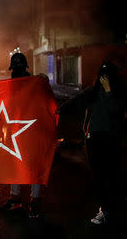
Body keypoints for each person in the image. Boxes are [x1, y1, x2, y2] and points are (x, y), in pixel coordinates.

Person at [57, 60, 125, 225]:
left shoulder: (119, 92)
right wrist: (58, 109)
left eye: (107, 76)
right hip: (94, 139)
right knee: (99, 175)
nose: (104, 79)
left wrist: (109, 91)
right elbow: (75, 102)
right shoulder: (92, 91)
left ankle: (113, 207)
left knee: (112, 174)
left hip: (111, 139)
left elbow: (116, 110)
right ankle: (104, 208)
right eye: (102, 75)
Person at [1, 52, 42, 218]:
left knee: (34, 166)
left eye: (18, 68)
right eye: (15, 69)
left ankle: (35, 201)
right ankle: (16, 198)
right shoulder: (9, 85)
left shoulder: (35, 84)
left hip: (31, 130)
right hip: (15, 130)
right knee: (15, 165)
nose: (16, 71)